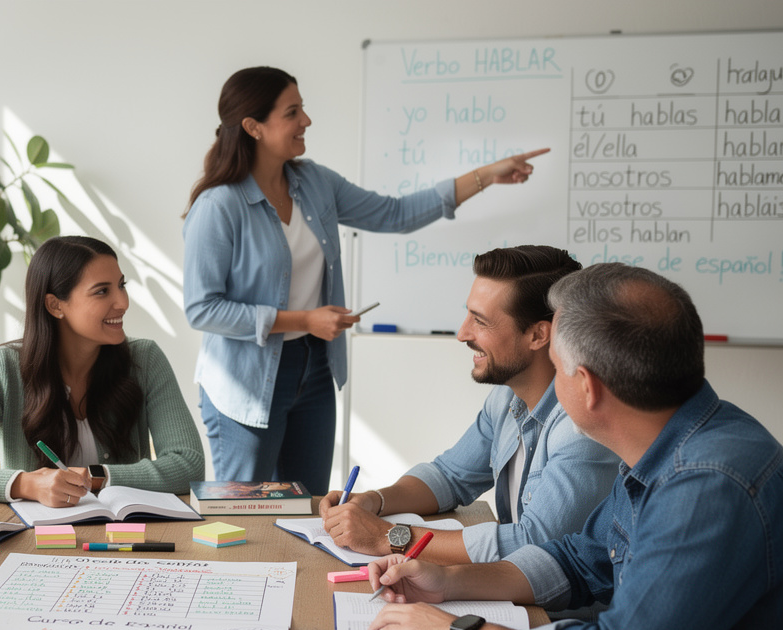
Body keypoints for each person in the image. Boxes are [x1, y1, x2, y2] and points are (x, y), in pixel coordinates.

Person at [364, 263, 783, 630]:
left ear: (585, 386)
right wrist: (449, 582)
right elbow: (580, 560)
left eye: (556, 368)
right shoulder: (670, 445)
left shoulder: (708, 486)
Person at [183, 66, 549, 495]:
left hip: (314, 370)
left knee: (308, 507)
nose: (307, 121)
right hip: (246, 382)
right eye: (292, 112)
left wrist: (487, 175)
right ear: (253, 127)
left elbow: (395, 213)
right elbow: (202, 308)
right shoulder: (218, 206)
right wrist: (304, 319)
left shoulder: (313, 182)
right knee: (245, 516)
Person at [319, 246, 620, 565]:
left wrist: (388, 537)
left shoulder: (581, 428)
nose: (462, 334)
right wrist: (373, 501)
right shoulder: (507, 397)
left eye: (480, 321)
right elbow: (449, 476)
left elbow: (533, 544)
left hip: (556, 612)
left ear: (537, 335)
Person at [0, 235, 204, 506]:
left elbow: (188, 464)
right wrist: (28, 484)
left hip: (125, 535)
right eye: (102, 291)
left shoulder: (145, 359)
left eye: (121, 286)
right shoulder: (3, 368)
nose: (122, 302)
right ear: (55, 305)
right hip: (34, 538)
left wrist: (97, 476)